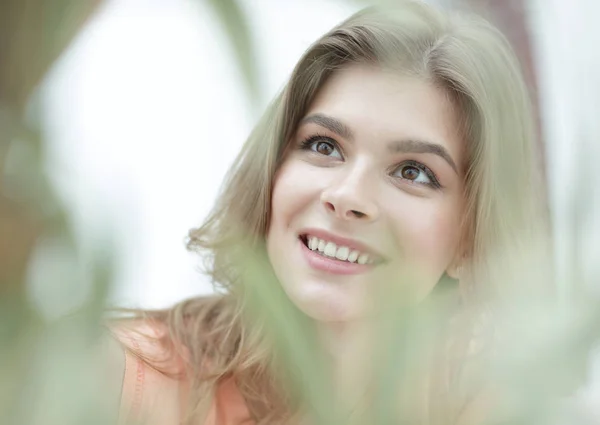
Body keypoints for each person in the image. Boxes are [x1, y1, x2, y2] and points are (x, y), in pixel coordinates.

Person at [105, 1, 549, 424]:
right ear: (273, 169)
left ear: (471, 236)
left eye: (413, 172)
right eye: (324, 146)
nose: (347, 195)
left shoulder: (507, 406)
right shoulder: (124, 382)